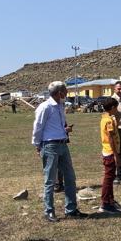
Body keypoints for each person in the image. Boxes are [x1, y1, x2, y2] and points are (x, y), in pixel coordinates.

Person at [31, 81, 87, 223]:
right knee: (50, 180)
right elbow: (38, 127)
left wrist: (65, 130)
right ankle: (49, 211)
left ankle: (71, 209)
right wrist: (37, 144)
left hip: (62, 144)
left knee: (70, 177)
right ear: (59, 93)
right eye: (65, 91)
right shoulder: (45, 107)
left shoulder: (60, 106)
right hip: (50, 145)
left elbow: (56, 126)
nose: (67, 93)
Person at [99, 98, 121, 214]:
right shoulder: (108, 121)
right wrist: (116, 155)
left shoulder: (105, 117)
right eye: (116, 107)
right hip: (110, 152)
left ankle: (110, 200)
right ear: (113, 107)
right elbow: (111, 138)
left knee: (110, 177)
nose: (117, 109)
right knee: (108, 179)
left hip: (108, 151)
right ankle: (105, 203)